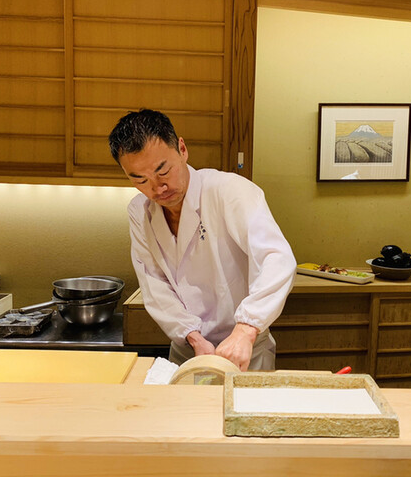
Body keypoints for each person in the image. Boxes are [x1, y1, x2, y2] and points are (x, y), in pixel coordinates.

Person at [108, 109, 297, 371]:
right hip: (189, 350)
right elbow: (154, 284)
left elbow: (276, 258)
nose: (157, 188)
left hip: (245, 349)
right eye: (140, 179)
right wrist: (193, 337)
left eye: (163, 171)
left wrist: (246, 328)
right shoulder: (140, 212)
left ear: (182, 149)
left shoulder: (229, 190)